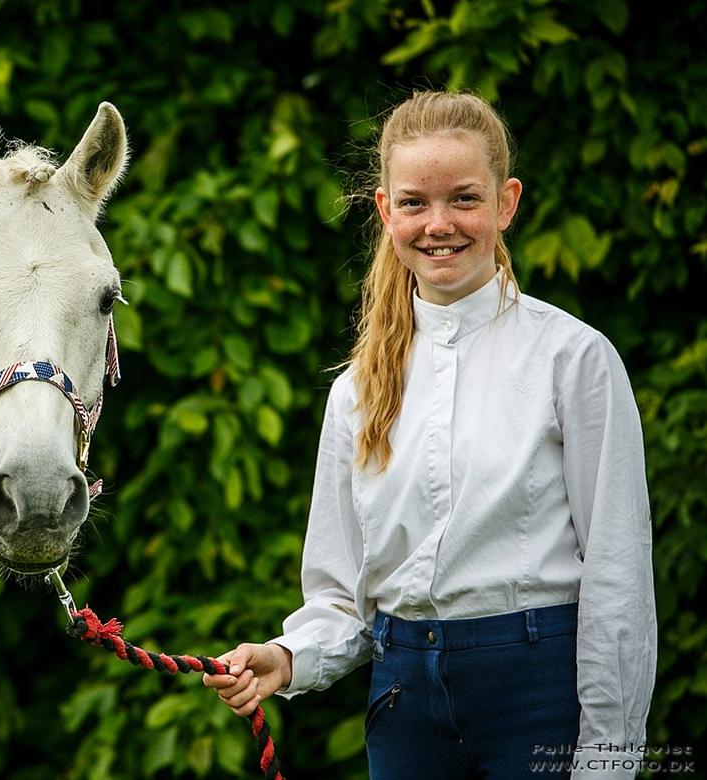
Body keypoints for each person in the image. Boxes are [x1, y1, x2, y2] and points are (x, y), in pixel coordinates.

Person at [202, 91, 656, 779]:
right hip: (404, 705)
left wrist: (609, 758)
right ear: (386, 212)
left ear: (506, 204)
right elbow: (339, 595)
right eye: (414, 202)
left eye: (464, 199)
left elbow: (618, 579)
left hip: (538, 700)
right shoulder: (356, 390)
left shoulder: (574, 360)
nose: (438, 224)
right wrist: (288, 657)